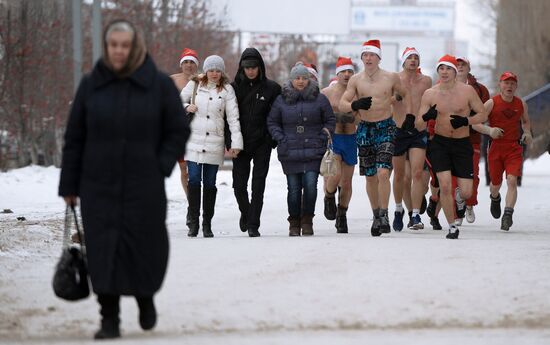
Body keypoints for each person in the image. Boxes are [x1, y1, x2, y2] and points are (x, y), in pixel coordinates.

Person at [58, 20, 189, 339]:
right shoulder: (91, 84)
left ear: (136, 48)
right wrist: (70, 185)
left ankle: (145, 298)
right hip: (98, 183)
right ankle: (109, 318)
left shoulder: (157, 84)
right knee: (103, 249)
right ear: (106, 47)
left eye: (124, 45)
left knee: (145, 244)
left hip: (144, 184)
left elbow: (177, 129)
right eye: (113, 44)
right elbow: (75, 136)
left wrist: (159, 164)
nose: (118, 50)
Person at [339, 39, 410, 236]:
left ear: (379, 57)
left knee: (383, 173)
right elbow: (343, 103)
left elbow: (405, 95)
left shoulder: (391, 77)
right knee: (370, 177)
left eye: (372, 55)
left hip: (386, 127)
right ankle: (376, 214)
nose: (368, 58)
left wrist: (407, 117)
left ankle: (385, 214)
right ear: (362, 58)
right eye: (365, 55)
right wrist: (355, 105)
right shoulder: (356, 80)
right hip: (365, 129)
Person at [419, 55, 487, 239]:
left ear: (455, 72)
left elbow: (482, 115)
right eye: (441, 68)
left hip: (462, 144)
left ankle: (460, 201)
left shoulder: (467, 92)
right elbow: (418, 124)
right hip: (439, 143)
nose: (444, 72)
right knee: (446, 185)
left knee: (466, 192)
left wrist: (466, 120)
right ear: (437, 71)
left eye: (448, 68)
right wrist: (426, 117)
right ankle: (452, 226)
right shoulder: (430, 94)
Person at [268, 62, 335, 236]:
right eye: (297, 78)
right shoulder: (281, 99)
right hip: (289, 150)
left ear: (308, 79)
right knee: (294, 188)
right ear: (291, 80)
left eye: (304, 78)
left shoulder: (319, 98)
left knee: (311, 185)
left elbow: (330, 120)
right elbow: (273, 122)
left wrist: (323, 136)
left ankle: (307, 220)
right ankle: (294, 222)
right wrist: (281, 138)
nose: (300, 81)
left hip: (313, 149)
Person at [180, 55, 243, 238]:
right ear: (205, 70)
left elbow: (233, 118)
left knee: (209, 183)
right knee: (193, 180)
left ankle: (207, 223)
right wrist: (186, 106)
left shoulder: (227, 90)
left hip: (215, 142)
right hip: (193, 140)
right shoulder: (194, 85)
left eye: (218, 70)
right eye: (211, 70)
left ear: (222, 72)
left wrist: (236, 144)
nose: (214, 74)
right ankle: (193, 221)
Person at [230, 47, 281, 237]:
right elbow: (227, 117)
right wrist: (230, 142)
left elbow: (277, 115)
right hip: (240, 143)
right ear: (241, 68)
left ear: (260, 67)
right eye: (247, 67)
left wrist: (271, 140)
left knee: (258, 185)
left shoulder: (273, 88)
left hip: (262, 143)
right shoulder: (233, 88)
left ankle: (254, 224)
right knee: (238, 186)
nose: (250, 70)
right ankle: (246, 212)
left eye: (254, 67)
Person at [472, 71, 531, 231]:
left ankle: (508, 214)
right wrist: (489, 130)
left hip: (513, 147)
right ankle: (495, 197)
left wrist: (527, 133)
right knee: (495, 185)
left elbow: (525, 122)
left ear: (516, 86)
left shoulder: (521, 104)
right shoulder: (491, 103)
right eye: (506, 83)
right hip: (496, 148)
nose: (509, 86)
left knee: (512, 180)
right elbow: (475, 123)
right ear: (500, 85)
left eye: (512, 83)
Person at [391, 47, 432, 231]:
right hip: (398, 130)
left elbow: (432, 101)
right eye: (410, 57)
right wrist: (395, 97)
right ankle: (399, 209)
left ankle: (415, 214)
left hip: (418, 130)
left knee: (417, 174)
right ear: (404, 61)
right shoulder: (394, 79)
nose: (413, 60)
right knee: (401, 176)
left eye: (416, 57)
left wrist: (430, 116)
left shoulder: (426, 81)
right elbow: (384, 99)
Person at [321, 56, 357, 233]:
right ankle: (329, 196)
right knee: (334, 174)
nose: (347, 74)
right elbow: (317, 113)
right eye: (343, 71)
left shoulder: (357, 93)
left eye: (350, 71)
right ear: (337, 73)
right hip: (334, 138)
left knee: (347, 182)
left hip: (351, 138)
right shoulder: (327, 92)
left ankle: (342, 215)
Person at [454, 56, 490, 224]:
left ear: (469, 67)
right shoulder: (445, 86)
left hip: (473, 137)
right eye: (457, 64)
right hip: (451, 137)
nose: (460, 67)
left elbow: (484, 114)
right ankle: (458, 208)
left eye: (463, 65)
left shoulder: (480, 89)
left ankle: (469, 204)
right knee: (455, 175)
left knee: (472, 175)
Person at [170, 48, 199, 228]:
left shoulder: (203, 80)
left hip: (199, 132)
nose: (189, 65)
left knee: (195, 172)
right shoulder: (172, 81)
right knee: (185, 171)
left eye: (192, 62)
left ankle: (194, 206)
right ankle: (192, 205)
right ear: (181, 64)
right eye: (186, 62)